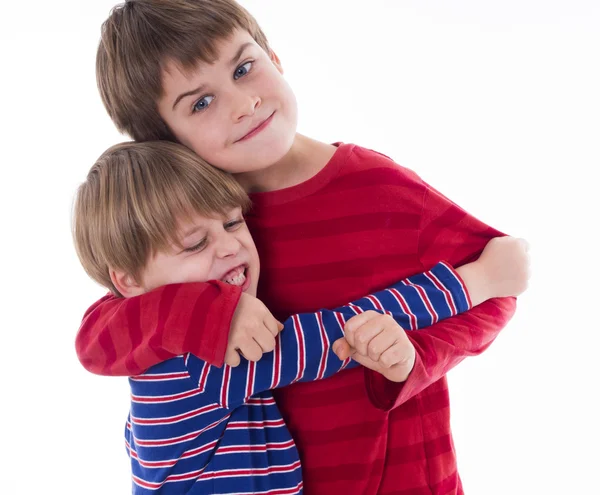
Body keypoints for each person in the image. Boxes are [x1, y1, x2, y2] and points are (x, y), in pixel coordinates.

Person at [76, 1, 530, 493]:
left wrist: (412, 358)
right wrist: (203, 316)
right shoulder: (196, 232)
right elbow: (100, 337)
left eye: (245, 68)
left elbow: (497, 282)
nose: (243, 103)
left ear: (273, 55)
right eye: (200, 103)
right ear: (162, 140)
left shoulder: (379, 187)